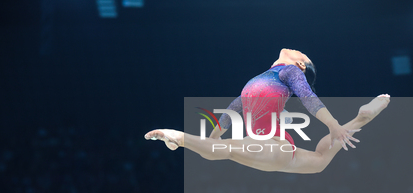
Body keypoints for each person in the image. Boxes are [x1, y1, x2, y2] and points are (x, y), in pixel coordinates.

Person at [145, 48, 390, 174]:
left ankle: (177, 137)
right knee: (320, 160)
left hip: (271, 145)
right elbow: (233, 110)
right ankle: (361, 118)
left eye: (303, 54)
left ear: (301, 64)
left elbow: (308, 97)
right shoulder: (261, 79)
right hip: (274, 149)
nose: (298, 49)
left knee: (221, 151)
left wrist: (333, 125)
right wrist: (211, 139)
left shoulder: (289, 72)